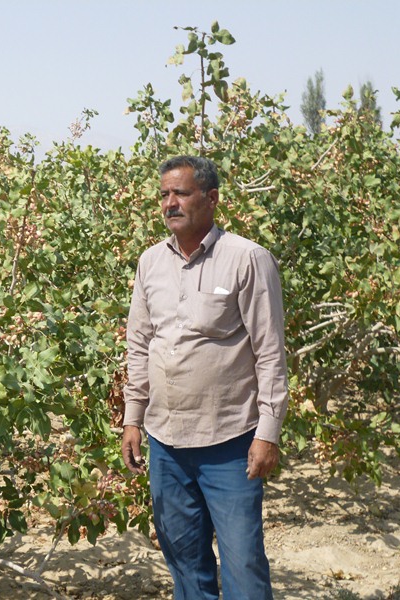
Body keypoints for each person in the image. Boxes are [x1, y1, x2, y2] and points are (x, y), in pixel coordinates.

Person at [121, 156, 288, 599]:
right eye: (163, 195)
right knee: (185, 561)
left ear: (211, 199)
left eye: (180, 193)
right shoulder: (150, 263)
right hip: (166, 442)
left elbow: (270, 353)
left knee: (244, 565)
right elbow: (139, 344)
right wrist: (132, 418)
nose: (169, 203)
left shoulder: (248, 259)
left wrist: (267, 433)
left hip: (230, 442)